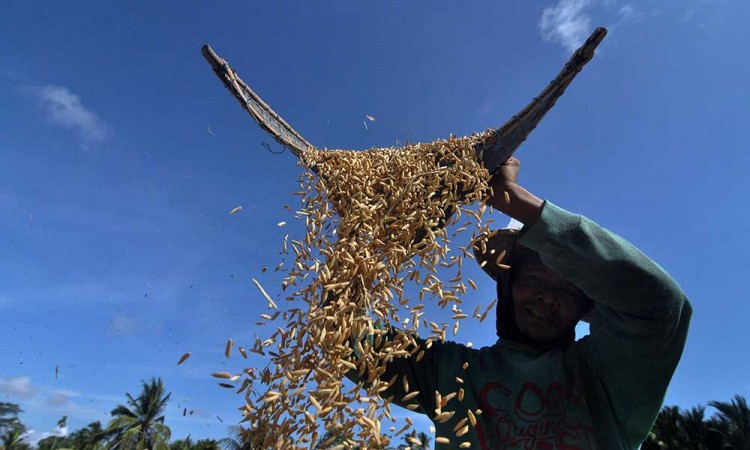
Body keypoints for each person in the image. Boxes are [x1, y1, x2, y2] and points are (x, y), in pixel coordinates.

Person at [348, 157, 692, 449]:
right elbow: (344, 341)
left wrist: (511, 199)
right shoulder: (450, 373)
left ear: (586, 307)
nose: (547, 296)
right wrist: (358, 240)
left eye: (569, 290)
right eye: (534, 279)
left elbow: (661, 305)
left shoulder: (605, 378)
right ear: (508, 285)